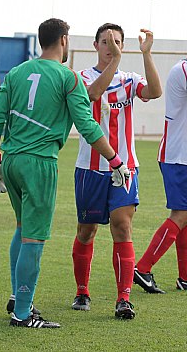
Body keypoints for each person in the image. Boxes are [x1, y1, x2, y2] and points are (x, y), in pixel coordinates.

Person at [0, 18, 130, 329]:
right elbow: (88, 126)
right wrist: (115, 160)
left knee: (22, 226)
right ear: (64, 40)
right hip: (39, 163)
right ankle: (23, 314)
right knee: (34, 238)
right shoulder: (68, 78)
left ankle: (16, 296)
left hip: (10, 161)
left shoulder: (16, 72)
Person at [70, 23, 162, 320]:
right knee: (87, 231)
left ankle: (124, 298)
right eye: (107, 41)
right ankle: (82, 290)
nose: (112, 46)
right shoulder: (82, 77)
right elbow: (93, 95)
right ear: (96, 45)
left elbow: (155, 91)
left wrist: (146, 54)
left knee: (122, 226)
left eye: (117, 41)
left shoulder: (129, 80)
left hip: (125, 168)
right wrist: (116, 62)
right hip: (90, 168)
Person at [133, 28, 187, 294]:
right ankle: (143, 268)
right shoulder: (184, 70)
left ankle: (186, 276)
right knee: (182, 214)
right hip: (178, 156)